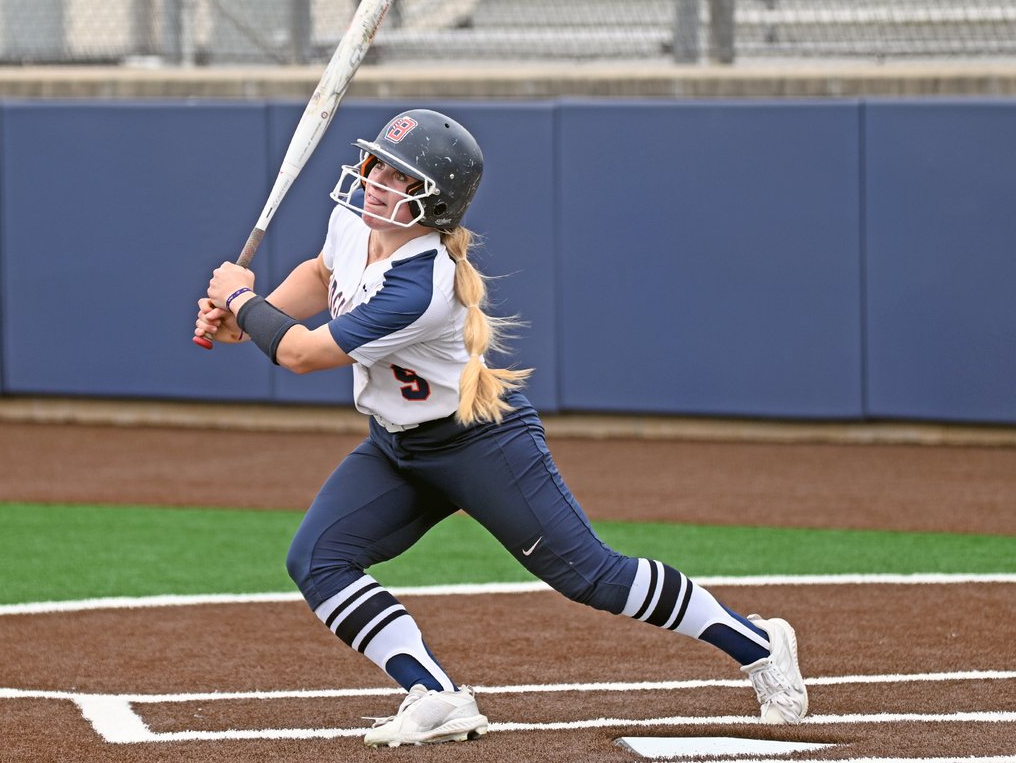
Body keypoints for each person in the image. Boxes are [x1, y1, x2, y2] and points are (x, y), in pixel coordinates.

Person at [194, 109, 808, 747]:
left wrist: (242, 301)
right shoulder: (354, 222)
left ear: (433, 203)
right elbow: (324, 275)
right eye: (376, 164)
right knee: (318, 560)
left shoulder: (422, 283)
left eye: (397, 177)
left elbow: (301, 355)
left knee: (591, 577)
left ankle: (759, 643)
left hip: (480, 443)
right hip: (396, 445)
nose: (374, 180)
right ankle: (434, 695)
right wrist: (258, 316)